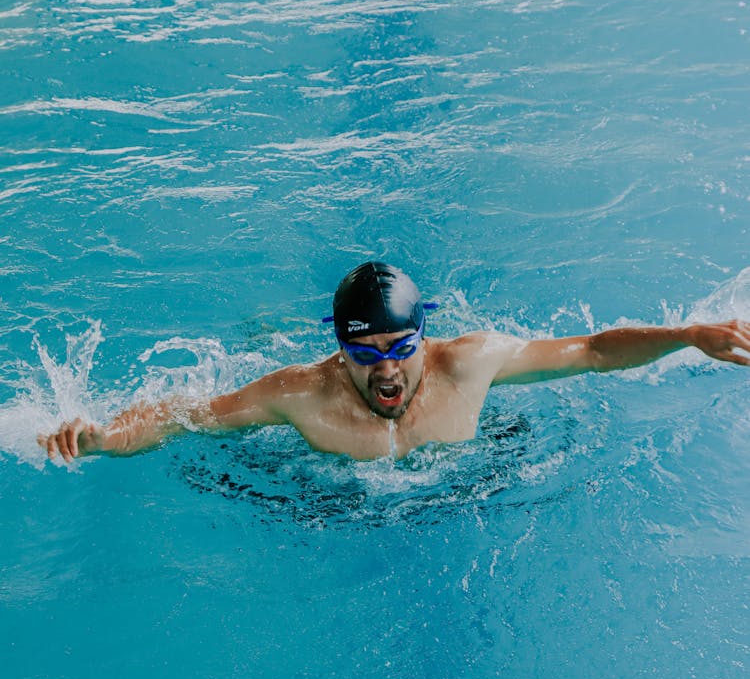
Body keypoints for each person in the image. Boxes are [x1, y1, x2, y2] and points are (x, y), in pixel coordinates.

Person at [39, 260, 750, 465]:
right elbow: (185, 411)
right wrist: (104, 436)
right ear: (337, 351)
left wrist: (688, 334)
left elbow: (593, 351)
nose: (385, 372)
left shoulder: (469, 363)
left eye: (400, 351)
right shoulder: (301, 394)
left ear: (424, 339)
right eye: (363, 355)